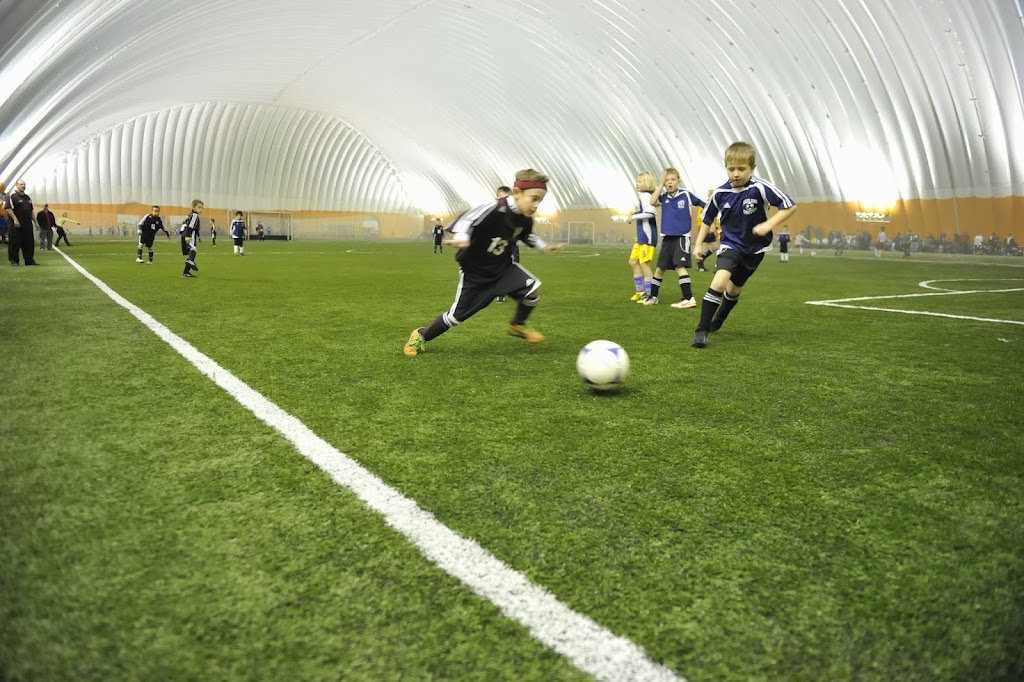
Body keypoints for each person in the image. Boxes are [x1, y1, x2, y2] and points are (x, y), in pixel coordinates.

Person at [403, 169, 564, 357]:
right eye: (534, 198)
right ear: (518, 192)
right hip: (476, 275)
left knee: (533, 290)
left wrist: (543, 246)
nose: (536, 205)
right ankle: (420, 335)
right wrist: (463, 238)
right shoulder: (494, 208)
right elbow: (466, 219)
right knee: (455, 317)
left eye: (540, 201)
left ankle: (517, 325)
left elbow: (527, 235)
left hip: (504, 269)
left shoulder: (524, 218)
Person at [690, 142, 797, 348]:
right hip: (730, 244)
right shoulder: (720, 193)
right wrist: (698, 245)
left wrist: (768, 224)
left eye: (742, 169)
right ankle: (701, 331)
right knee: (719, 282)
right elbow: (706, 218)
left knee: (735, 288)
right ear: (726, 168)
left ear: (752, 168)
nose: (736, 173)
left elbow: (789, 205)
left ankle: (720, 316)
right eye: (732, 169)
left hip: (755, 249)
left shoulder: (760, 188)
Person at [644, 167, 706, 308]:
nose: (670, 182)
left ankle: (688, 298)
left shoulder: (686, 195)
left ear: (679, 181)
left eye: (673, 179)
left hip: (682, 237)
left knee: (679, 266)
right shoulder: (663, 196)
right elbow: (652, 202)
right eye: (667, 180)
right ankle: (653, 296)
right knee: (660, 268)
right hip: (667, 238)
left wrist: (707, 218)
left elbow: (705, 205)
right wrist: (659, 185)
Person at [627, 171, 658, 301]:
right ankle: (640, 291)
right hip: (641, 237)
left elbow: (651, 213)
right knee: (633, 262)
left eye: (639, 181)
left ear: (646, 183)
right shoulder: (643, 196)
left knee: (644, 264)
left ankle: (650, 294)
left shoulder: (645, 195)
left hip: (647, 237)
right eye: (637, 181)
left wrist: (633, 216)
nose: (637, 183)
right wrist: (637, 212)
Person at [5, 179, 38, 266]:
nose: (23, 186)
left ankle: (29, 260)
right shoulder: (12, 196)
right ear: (16, 185)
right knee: (14, 244)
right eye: (21, 184)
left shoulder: (27, 198)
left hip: (27, 225)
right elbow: (8, 209)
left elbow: (31, 211)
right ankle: (14, 261)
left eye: (24, 184)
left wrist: (36, 222)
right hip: (16, 226)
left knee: (29, 244)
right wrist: (15, 219)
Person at [494, 185, 514, 302]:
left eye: (508, 197)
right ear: (497, 196)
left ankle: (503, 293)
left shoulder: (513, 211)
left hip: (511, 245)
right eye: (502, 197)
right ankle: (500, 293)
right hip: (495, 245)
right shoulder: (491, 209)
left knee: (510, 269)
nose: (505, 200)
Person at [180, 199, 204, 277]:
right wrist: (188, 236)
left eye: (202, 208)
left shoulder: (189, 215)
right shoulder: (194, 215)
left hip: (184, 233)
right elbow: (190, 227)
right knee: (193, 249)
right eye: (199, 207)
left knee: (191, 251)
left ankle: (186, 272)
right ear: (193, 207)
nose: (201, 209)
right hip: (189, 233)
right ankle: (190, 261)